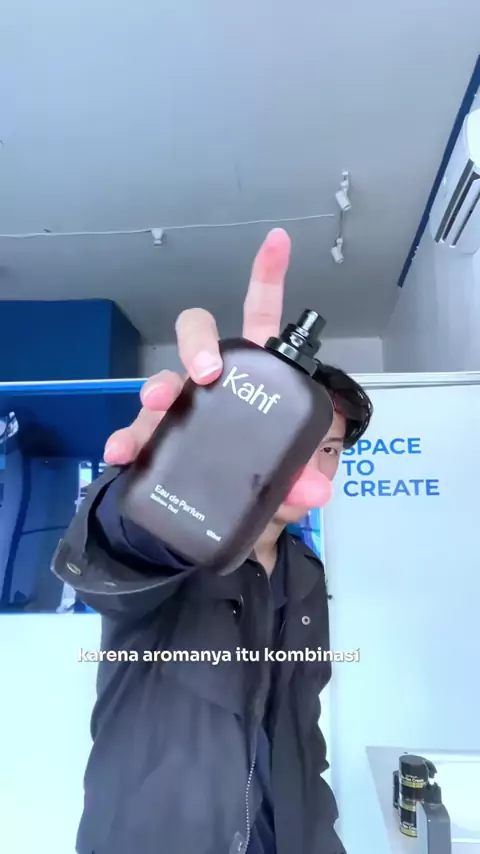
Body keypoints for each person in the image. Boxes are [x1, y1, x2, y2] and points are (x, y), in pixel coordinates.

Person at [52, 228, 373, 854]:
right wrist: (163, 483)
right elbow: (118, 551)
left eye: (329, 449)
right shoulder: (180, 548)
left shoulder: (306, 574)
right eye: (292, 443)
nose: (308, 466)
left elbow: (303, 737)